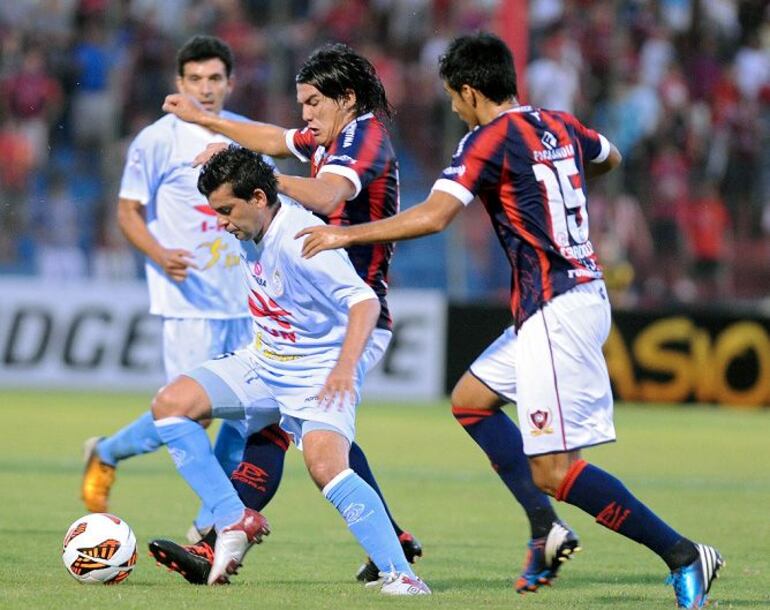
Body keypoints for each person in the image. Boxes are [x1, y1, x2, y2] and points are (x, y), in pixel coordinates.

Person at [297, 33, 724, 608]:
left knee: (553, 470)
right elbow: (612, 157)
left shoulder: (487, 139)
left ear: (472, 92)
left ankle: (682, 553)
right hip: (569, 296)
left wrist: (344, 232)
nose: (451, 107)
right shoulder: (557, 124)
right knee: (470, 398)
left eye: (453, 96)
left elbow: (434, 216)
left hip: (557, 310)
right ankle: (543, 527)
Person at [80, 38, 416, 584]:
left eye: (312, 103)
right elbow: (274, 139)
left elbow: (330, 197)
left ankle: (227, 535)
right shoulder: (326, 134)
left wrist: (255, 180)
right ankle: (230, 530)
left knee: (304, 448)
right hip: (296, 313)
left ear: (346, 97)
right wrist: (204, 124)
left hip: (340, 318)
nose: (304, 116)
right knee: (246, 425)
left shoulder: (364, 136)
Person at [149, 145, 431, 594]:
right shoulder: (253, 223)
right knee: (170, 404)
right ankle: (232, 515)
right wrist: (228, 151)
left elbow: (363, 302)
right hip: (262, 362)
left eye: (226, 210)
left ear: (259, 198)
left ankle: (404, 577)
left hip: (314, 372)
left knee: (326, 467)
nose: (220, 222)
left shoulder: (302, 241)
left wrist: (343, 369)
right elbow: (266, 157)